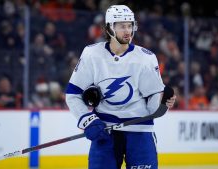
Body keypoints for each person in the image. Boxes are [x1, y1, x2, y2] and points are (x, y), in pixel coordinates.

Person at [65, 5, 176, 169]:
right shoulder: (91, 55)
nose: (128, 31)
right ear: (110, 28)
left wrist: (161, 103)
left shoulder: (146, 58)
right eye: (122, 26)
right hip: (105, 131)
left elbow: (152, 103)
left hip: (140, 132)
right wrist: (88, 120)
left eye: (130, 25)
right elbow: (73, 95)